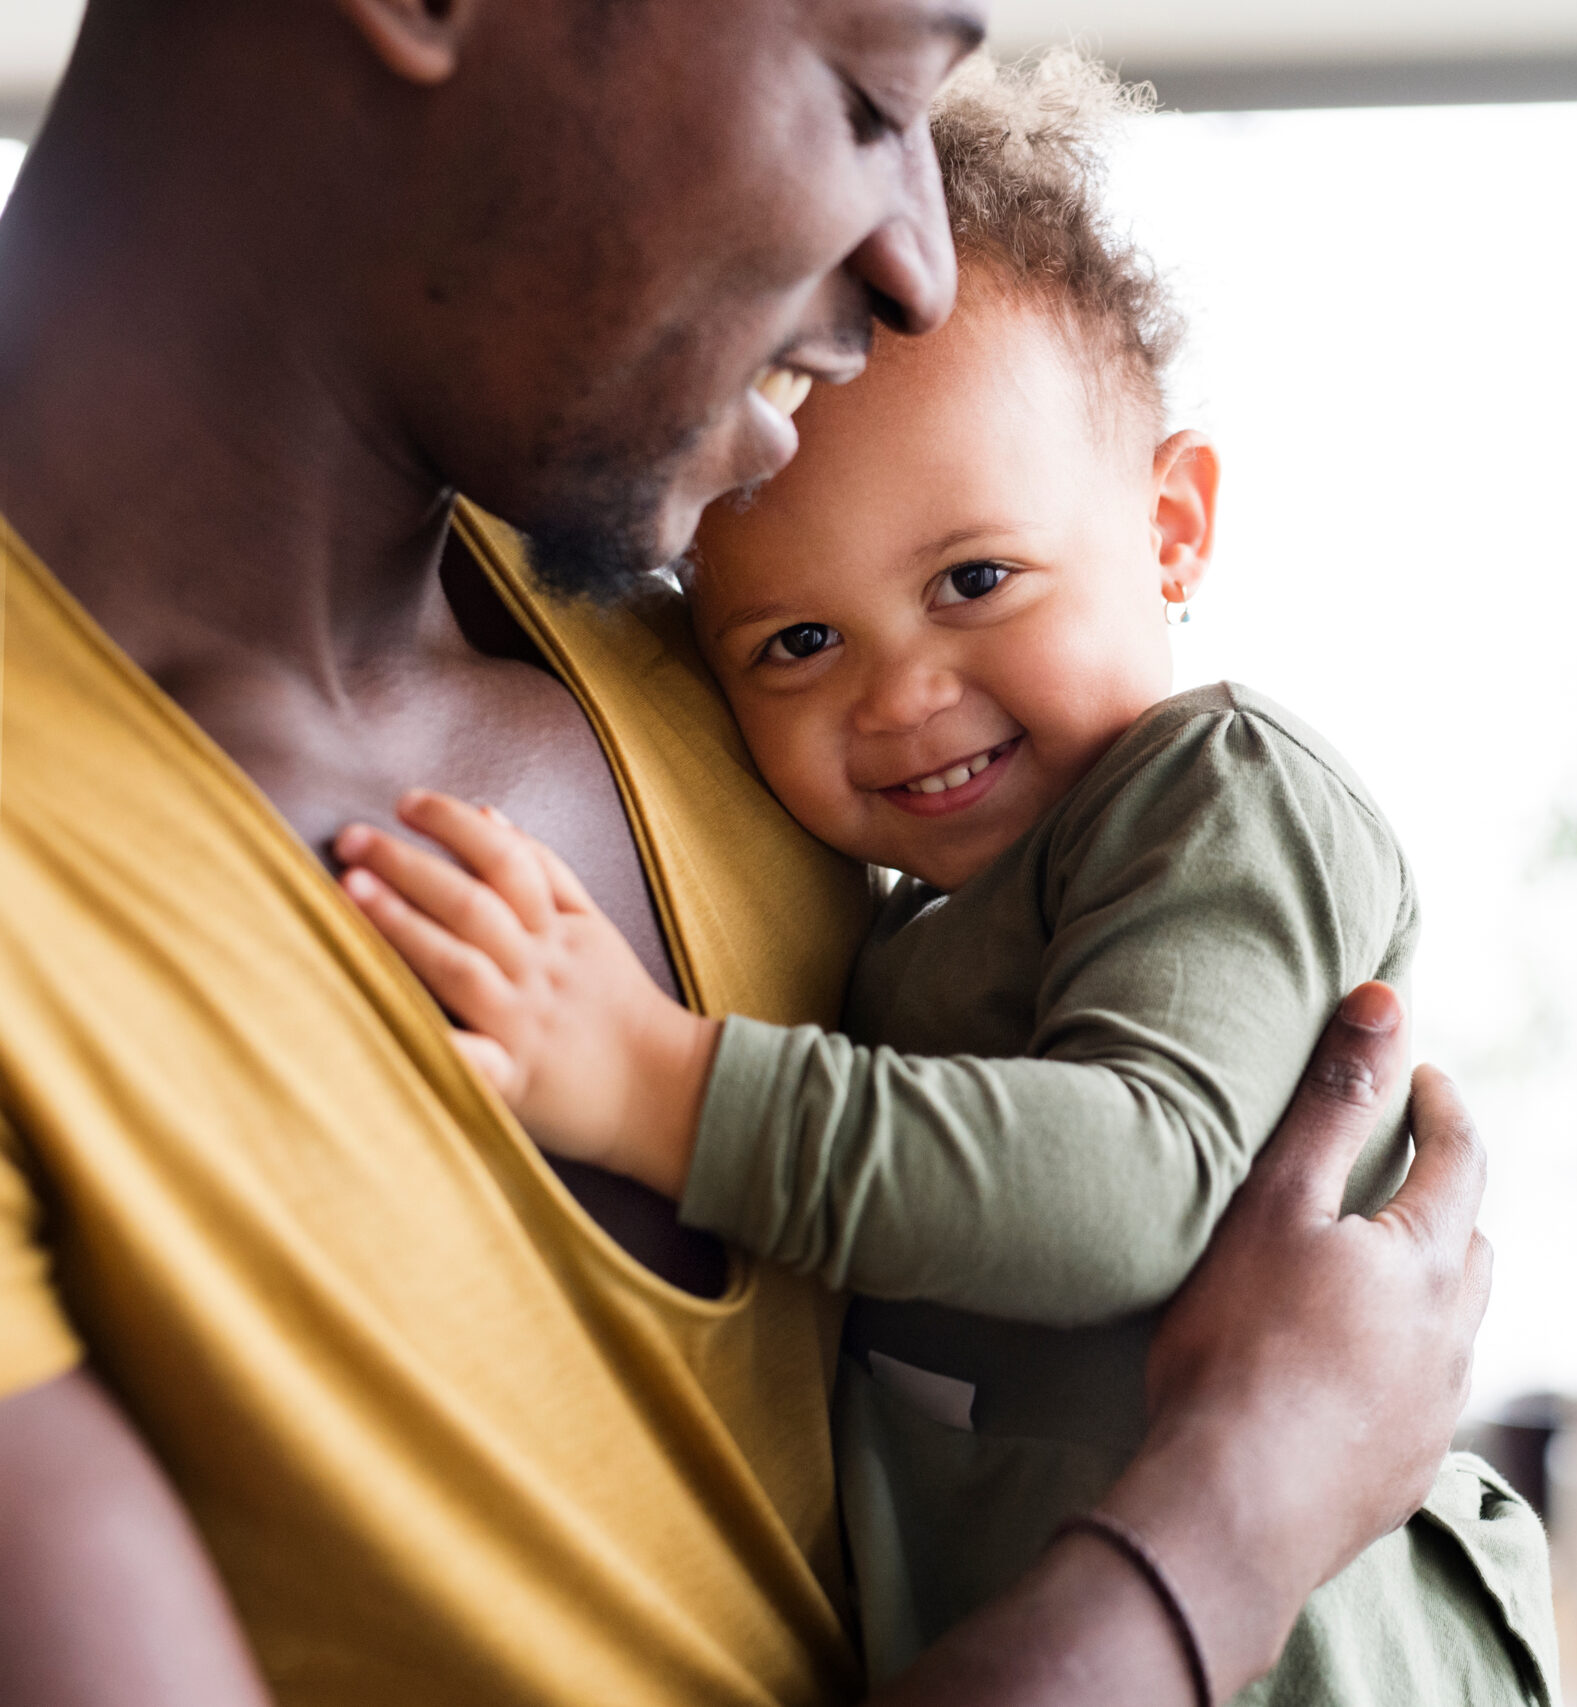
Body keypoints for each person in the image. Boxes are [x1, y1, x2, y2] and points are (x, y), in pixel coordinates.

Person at [0, 2, 1493, 1703]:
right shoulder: (744, 616)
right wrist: (1252, 1500)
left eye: (974, 583)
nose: (920, 266)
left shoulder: (690, 590)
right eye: (869, 97)